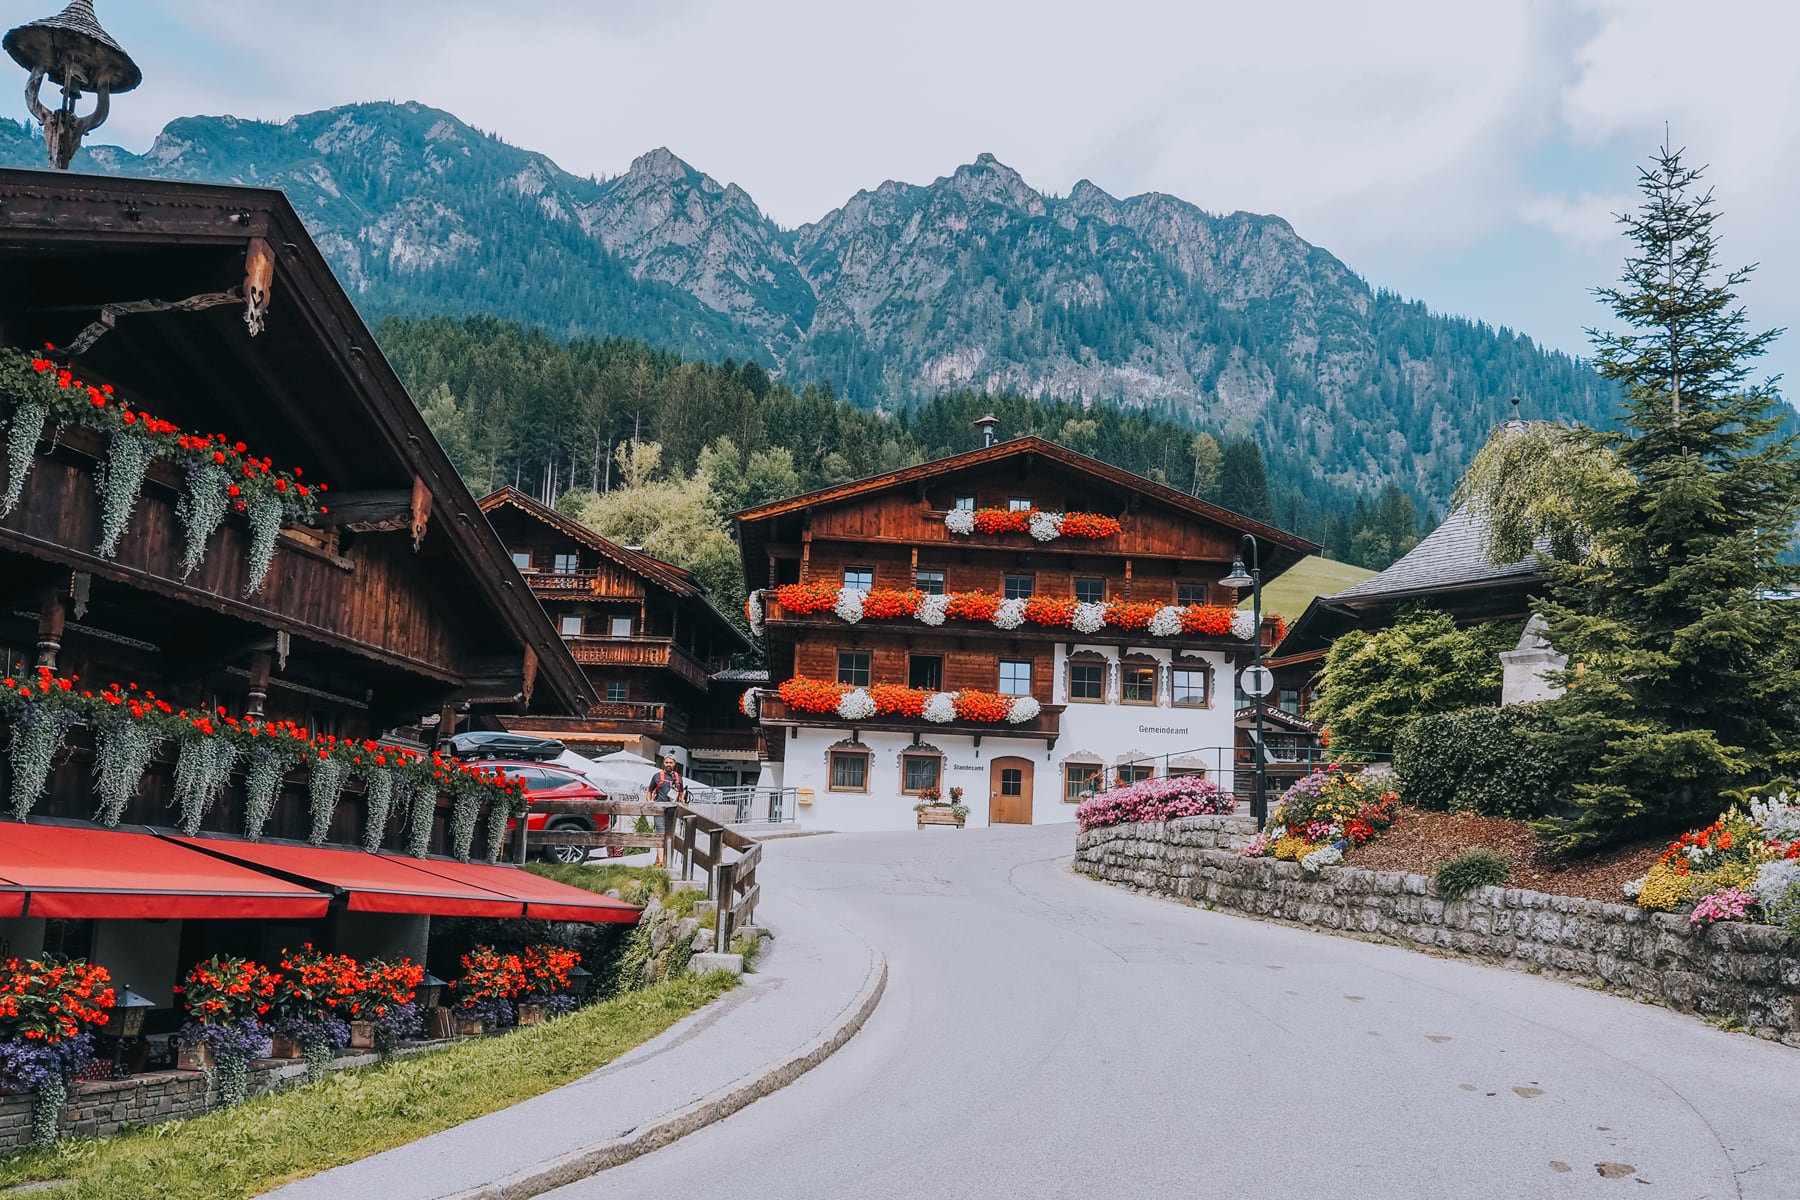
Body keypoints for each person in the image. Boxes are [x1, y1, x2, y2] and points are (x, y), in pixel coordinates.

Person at [646, 755, 686, 866]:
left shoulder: (678, 778)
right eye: (666, 762)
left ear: (674, 764)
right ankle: (662, 862)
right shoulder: (657, 776)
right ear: (664, 763)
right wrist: (650, 802)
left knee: (669, 835)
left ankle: (658, 860)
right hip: (659, 808)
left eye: (670, 762)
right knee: (660, 833)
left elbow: (681, 792)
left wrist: (683, 801)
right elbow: (649, 791)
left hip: (672, 810)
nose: (668, 764)